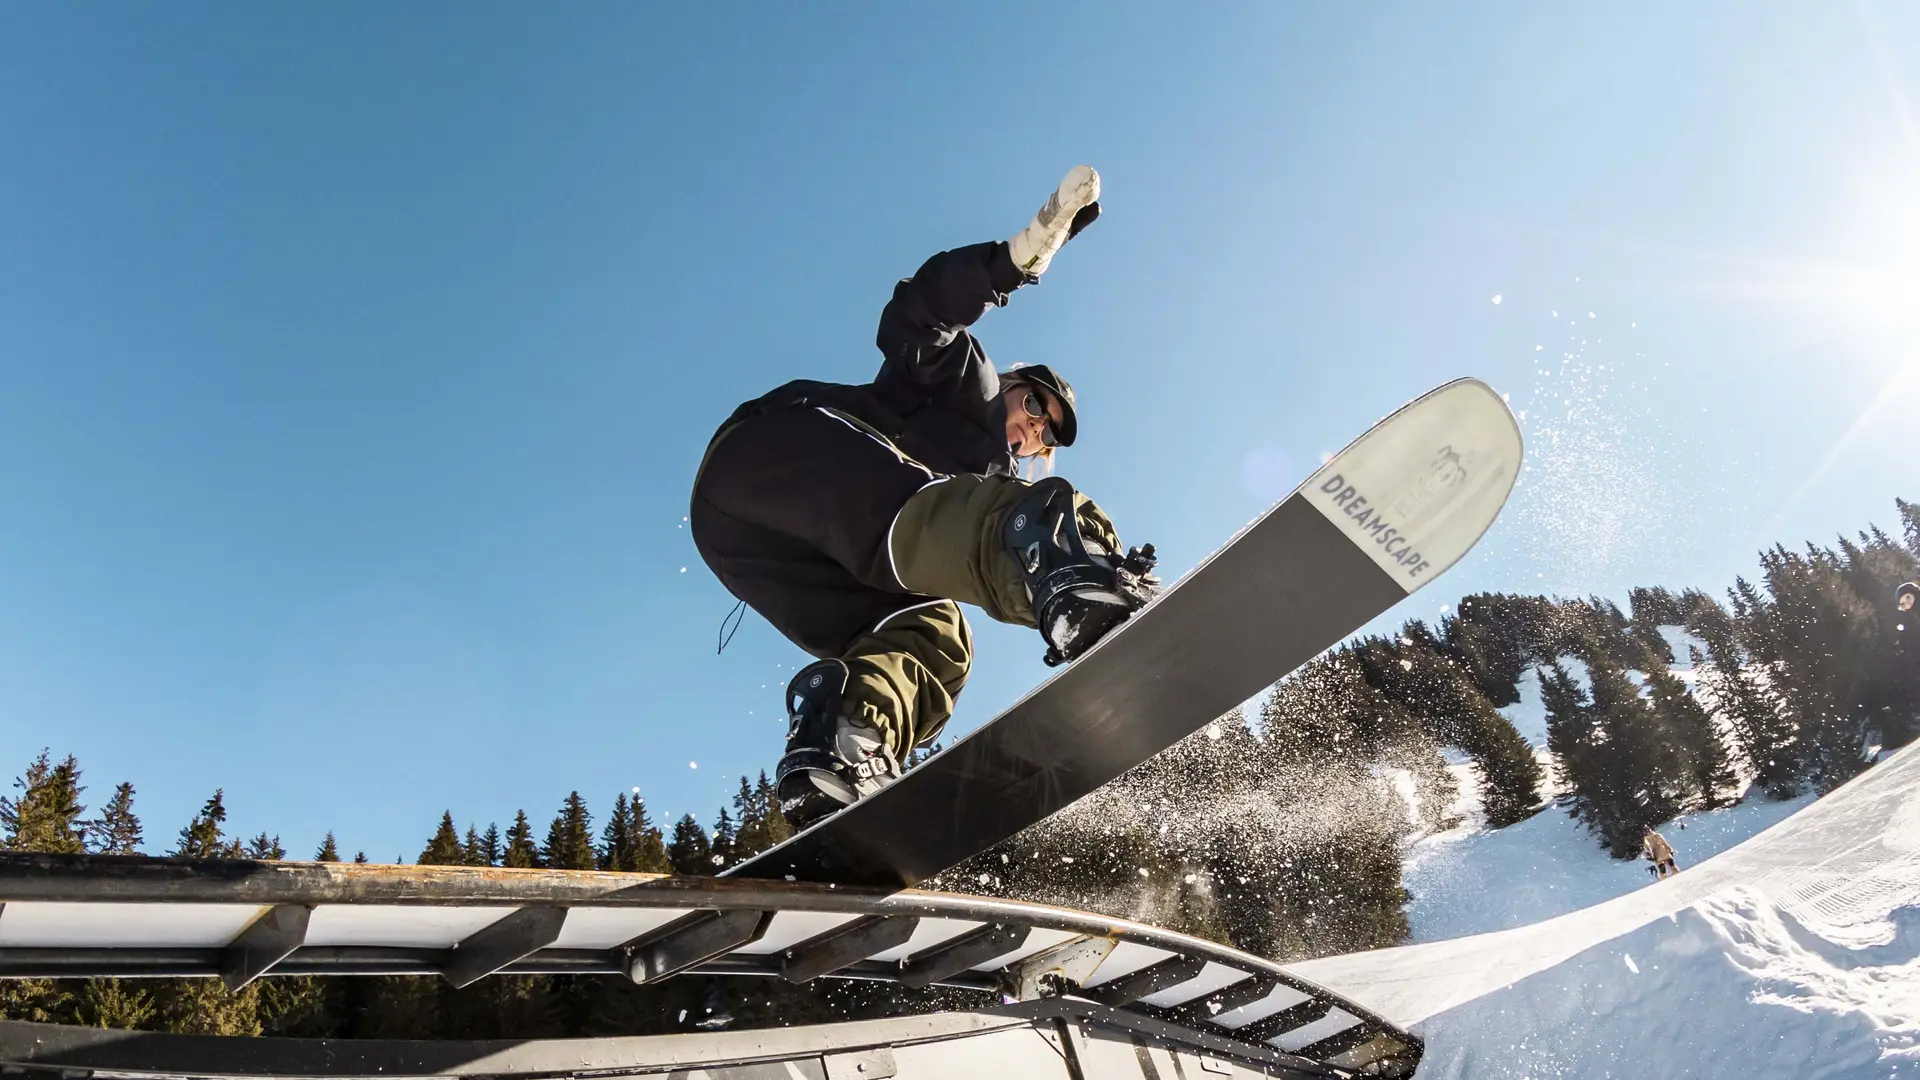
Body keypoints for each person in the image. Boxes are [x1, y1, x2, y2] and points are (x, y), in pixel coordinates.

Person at [690, 167, 1158, 829]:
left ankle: (848, 739)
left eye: (1043, 434)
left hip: (753, 547)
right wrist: (1010, 265)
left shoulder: (988, 481)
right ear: (1014, 380)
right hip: (773, 456)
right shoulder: (967, 383)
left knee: (934, 633)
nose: (1029, 427)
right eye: (1032, 405)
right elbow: (920, 315)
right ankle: (1069, 565)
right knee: (997, 519)